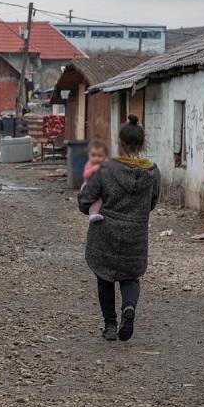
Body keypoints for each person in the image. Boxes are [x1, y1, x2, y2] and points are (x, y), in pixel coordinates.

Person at [78, 114, 160, 341]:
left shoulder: (105, 170)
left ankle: (111, 325)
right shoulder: (153, 172)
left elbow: (86, 201)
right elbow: (152, 202)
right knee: (131, 276)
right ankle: (129, 306)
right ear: (142, 144)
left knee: (104, 277)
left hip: (105, 232)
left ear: (120, 142)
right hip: (136, 233)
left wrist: (91, 207)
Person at [82, 140, 109, 222]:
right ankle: (93, 213)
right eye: (93, 155)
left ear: (105, 156)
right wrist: (93, 169)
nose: (96, 158)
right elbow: (85, 175)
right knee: (97, 199)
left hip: (103, 185)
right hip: (90, 186)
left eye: (100, 156)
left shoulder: (106, 163)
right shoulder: (90, 164)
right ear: (89, 155)